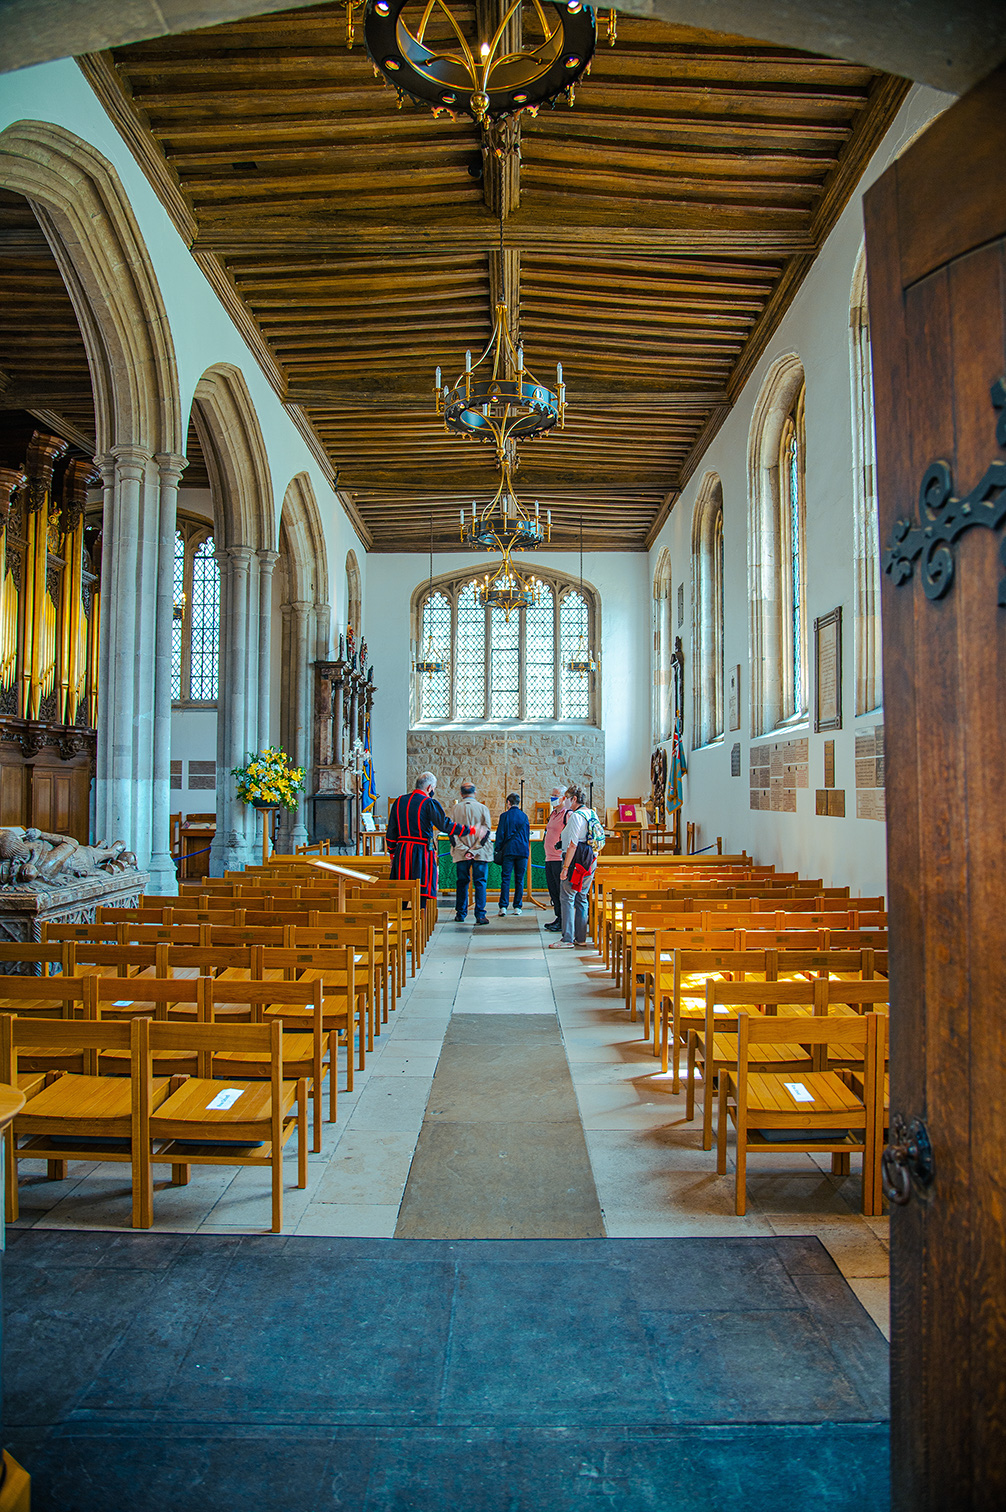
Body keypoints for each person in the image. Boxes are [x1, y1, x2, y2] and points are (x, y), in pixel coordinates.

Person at [386, 771, 472, 909]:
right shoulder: (429, 803)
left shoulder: (399, 801)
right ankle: (420, 920)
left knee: (402, 890)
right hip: (420, 852)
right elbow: (443, 824)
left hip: (402, 853)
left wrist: (392, 854)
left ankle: (399, 921)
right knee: (421, 890)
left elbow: (391, 831)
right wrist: (465, 830)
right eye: (434, 788)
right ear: (429, 788)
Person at [550, 783, 598, 949]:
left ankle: (567, 939)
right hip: (590, 860)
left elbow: (572, 844)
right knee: (582, 897)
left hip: (576, 860)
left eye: (568, 798)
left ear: (574, 799)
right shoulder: (592, 813)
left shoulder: (576, 816)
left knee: (567, 896)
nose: (566, 802)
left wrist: (565, 868)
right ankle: (581, 937)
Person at [450, 781, 492, 926]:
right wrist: (474, 849)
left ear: (461, 794)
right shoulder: (482, 808)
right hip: (479, 853)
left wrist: (464, 850)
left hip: (462, 853)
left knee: (462, 882)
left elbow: (452, 831)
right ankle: (480, 915)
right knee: (480, 882)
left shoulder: (455, 809)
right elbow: (486, 831)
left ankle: (460, 914)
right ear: (475, 793)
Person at [493, 792, 530, 917]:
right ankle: (517, 907)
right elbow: (526, 835)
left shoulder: (505, 816)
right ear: (518, 803)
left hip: (508, 851)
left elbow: (500, 834)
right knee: (519, 880)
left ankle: (503, 906)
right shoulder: (524, 816)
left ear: (508, 803)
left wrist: (498, 848)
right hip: (522, 851)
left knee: (506, 879)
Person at [542, 788, 568, 932]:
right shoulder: (553, 813)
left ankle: (564, 920)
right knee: (553, 891)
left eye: (555, 796)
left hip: (559, 858)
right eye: (552, 795)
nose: (552, 798)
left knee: (560, 891)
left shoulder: (567, 814)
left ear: (564, 798)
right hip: (549, 857)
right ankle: (558, 917)